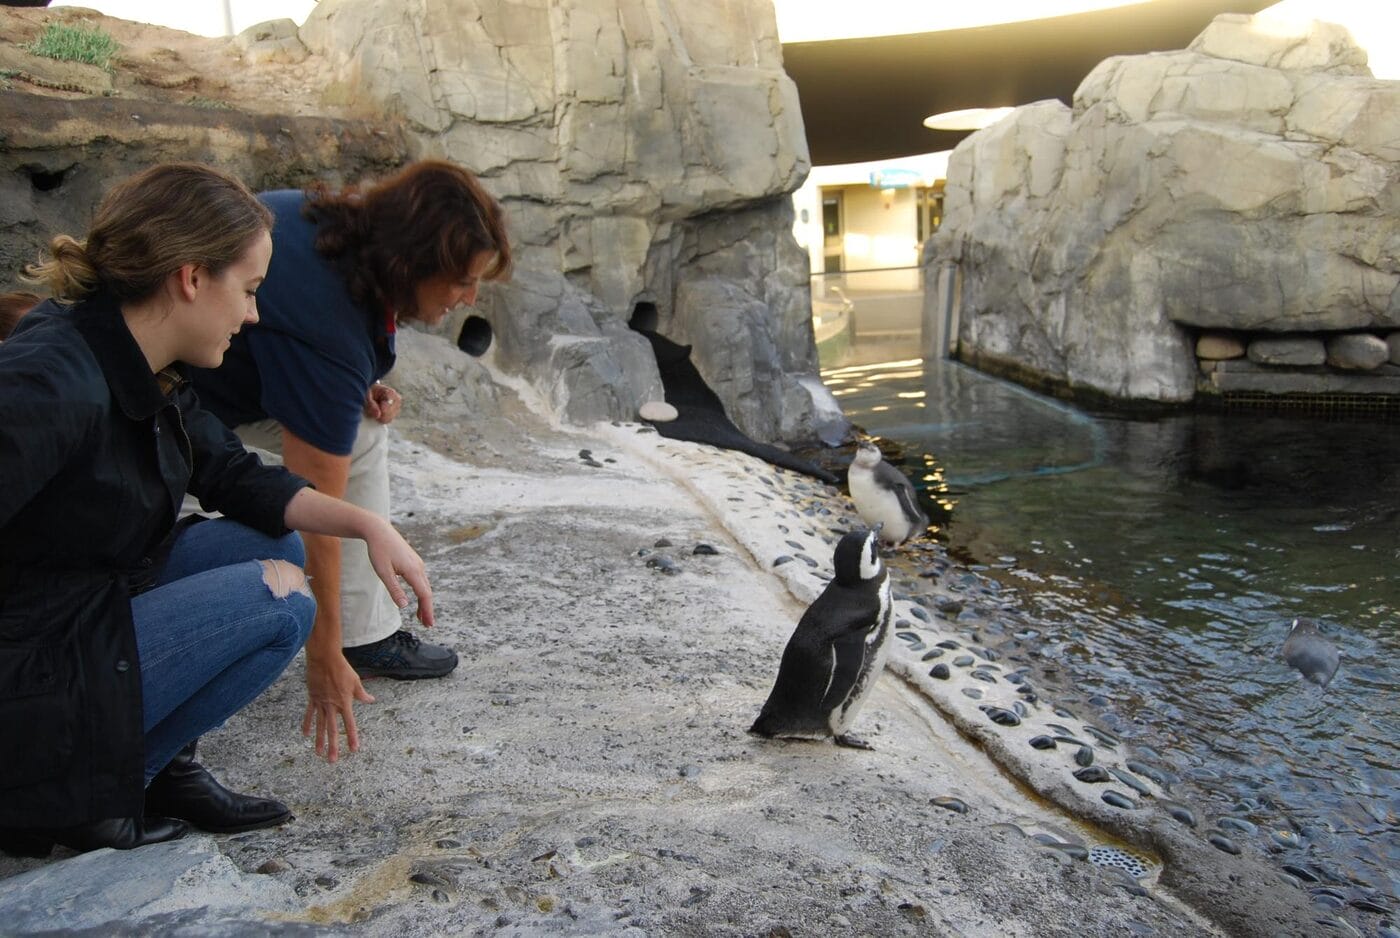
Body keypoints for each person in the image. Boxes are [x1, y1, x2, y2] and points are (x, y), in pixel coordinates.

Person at [0, 163, 434, 857]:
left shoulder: (136, 352)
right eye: (250, 289)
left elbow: (231, 473)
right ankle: (67, 798)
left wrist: (365, 522)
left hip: (81, 614)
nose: (255, 314)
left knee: (277, 549)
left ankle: (150, 776)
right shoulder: (52, 379)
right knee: (280, 604)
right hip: (38, 669)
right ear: (192, 277)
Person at [189, 160, 510, 756]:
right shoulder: (327, 327)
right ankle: (349, 639)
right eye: (462, 281)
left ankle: (366, 634)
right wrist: (323, 654)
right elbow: (316, 514)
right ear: (413, 262)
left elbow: (299, 339)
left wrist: (352, 387)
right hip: (171, 401)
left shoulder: (327, 225)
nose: (469, 298)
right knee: (331, 480)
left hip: (227, 374)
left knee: (358, 428)